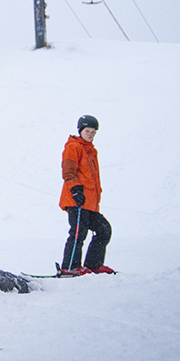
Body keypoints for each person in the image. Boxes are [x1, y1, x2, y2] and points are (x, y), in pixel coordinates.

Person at [58, 115, 114, 275]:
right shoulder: (73, 147)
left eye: (93, 132)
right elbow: (68, 170)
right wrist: (76, 190)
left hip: (90, 203)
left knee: (104, 229)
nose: (90, 134)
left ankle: (93, 265)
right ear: (80, 131)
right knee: (78, 232)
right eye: (87, 131)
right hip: (77, 199)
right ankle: (69, 267)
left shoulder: (91, 151)